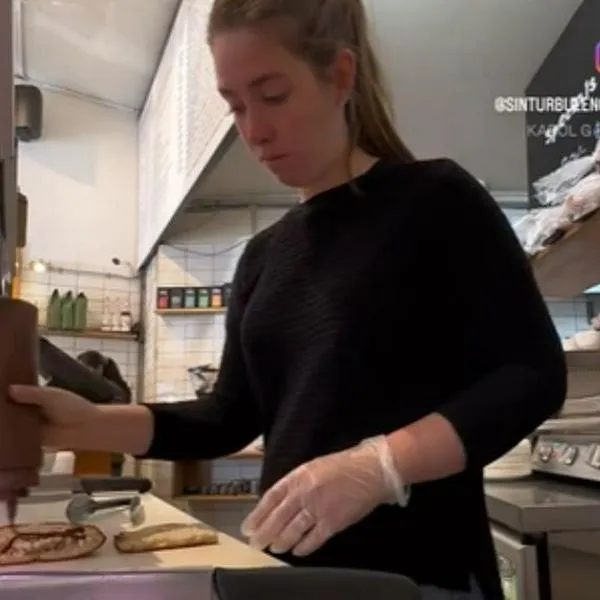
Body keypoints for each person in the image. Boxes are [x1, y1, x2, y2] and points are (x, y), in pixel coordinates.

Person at [8, 1, 566, 598]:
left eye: (272, 96)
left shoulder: (435, 201)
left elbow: (530, 374)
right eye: (236, 105)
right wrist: (93, 424)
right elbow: (228, 417)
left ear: (340, 77)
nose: (254, 130)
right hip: (287, 576)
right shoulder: (263, 256)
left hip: (420, 575)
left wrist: (381, 466)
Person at [76, 350, 132, 475]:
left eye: (87, 370)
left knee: (107, 489)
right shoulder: (95, 388)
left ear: (100, 369)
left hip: (110, 452)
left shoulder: (116, 390)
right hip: (96, 452)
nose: (83, 375)